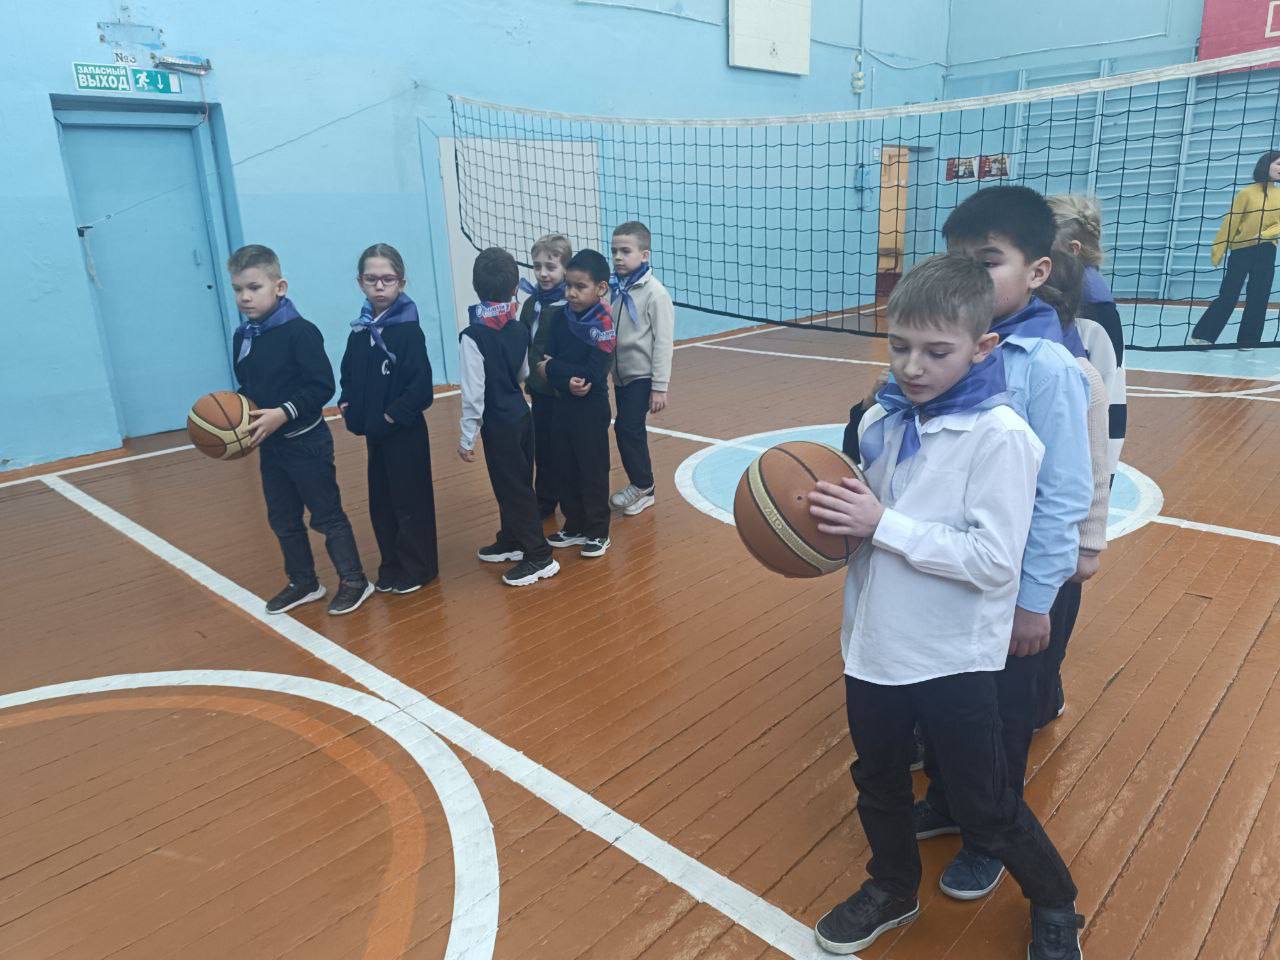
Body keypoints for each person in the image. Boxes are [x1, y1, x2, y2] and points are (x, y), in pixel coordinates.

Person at [809, 255, 1083, 960]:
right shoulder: (881, 417)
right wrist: (821, 525)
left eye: (937, 352)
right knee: (877, 779)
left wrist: (882, 524)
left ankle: (1055, 900)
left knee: (985, 803)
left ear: (982, 346)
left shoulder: (1002, 437)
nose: (913, 367)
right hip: (872, 644)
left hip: (951, 655)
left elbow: (993, 561)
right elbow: (861, 521)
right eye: (899, 346)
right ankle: (892, 886)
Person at [910, 186, 1092, 902]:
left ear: (1038, 271)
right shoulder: (950, 349)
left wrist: (1034, 600)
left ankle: (988, 834)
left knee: (1003, 720)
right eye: (956, 260)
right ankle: (948, 801)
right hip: (958, 575)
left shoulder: (1047, 364)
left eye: (986, 261)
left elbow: (1063, 494)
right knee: (951, 701)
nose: (968, 276)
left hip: (1018, 588)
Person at [227, 244, 373, 616]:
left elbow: (321, 387)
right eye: (238, 289)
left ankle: (355, 581)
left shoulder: (301, 332)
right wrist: (234, 413)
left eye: (254, 287)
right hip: (271, 446)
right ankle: (303, 582)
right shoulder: (244, 336)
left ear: (280, 287)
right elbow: (249, 386)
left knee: (326, 515)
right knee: (282, 518)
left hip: (307, 443)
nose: (245, 297)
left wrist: (282, 413)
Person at [1035, 242, 1113, 731]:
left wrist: (1089, 544)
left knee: (1050, 627)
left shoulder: (1077, 373)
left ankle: (1044, 696)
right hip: (1012, 538)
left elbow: (1096, 468)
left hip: (1058, 545)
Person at [338, 243, 438, 594]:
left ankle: (418, 568)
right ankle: (391, 564)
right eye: (371, 279)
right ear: (360, 282)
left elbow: (421, 389)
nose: (379, 286)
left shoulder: (408, 331)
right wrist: (348, 404)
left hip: (404, 434)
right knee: (382, 502)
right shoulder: (360, 331)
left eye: (387, 279)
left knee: (410, 502)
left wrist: (390, 416)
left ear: (401, 282)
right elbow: (348, 375)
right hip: (375, 435)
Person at [458, 247, 560, 587]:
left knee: (512, 489)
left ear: (476, 288)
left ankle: (539, 556)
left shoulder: (472, 336)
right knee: (518, 483)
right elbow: (523, 373)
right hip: (521, 416)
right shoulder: (517, 328)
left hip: (498, 423)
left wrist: (466, 437)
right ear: (515, 287)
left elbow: (473, 394)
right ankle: (512, 539)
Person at [538, 249, 616, 556]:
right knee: (564, 466)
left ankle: (597, 530)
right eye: (568, 285)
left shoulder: (603, 325)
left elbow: (594, 373)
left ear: (600, 288)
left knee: (592, 469)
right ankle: (574, 524)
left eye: (580, 286)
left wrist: (556, 369)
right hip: (563, 405)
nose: (571, 292)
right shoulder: (559, 318)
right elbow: (545, 362)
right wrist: (561, 377)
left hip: (591, 409)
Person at [1048, 194, 1127, 478]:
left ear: (1073, 250)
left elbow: (1103, 393)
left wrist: (1098, 472)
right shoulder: (1063, 290)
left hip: (1085, 454)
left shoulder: (1092, 308)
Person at [607, 221, 675, 518]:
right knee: (627, 429)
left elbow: (663, 343)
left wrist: (660, 386)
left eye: (625, 251)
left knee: (627, 428)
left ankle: (644, 486)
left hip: (642, 376)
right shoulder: (613, 288)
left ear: (644, 255)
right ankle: (642, 485)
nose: (618, 257)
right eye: (614, 251)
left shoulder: (655, 294)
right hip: (620, 376)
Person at [1190, 150, 1280, 348]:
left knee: (1259, 296)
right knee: (1229, 295)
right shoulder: (1246, 193)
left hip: (1267, 251)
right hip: (1241, 250)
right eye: (1278, 164)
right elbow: (1231, 222)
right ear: (1266, 165)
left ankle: (1249, 340)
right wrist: (1219, 248)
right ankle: (1204, 335)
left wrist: (1265, 234)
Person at [518, 233, 571, 520]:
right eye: (537, 266)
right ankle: (545, 500)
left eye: (550, 267)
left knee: (565, 449)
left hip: (564, 392)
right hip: (539, 391)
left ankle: (572, 499)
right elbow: (524, 343)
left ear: (565, 268)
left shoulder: (570, 305)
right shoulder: (530, 304)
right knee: (544, 449)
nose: (543, 273)